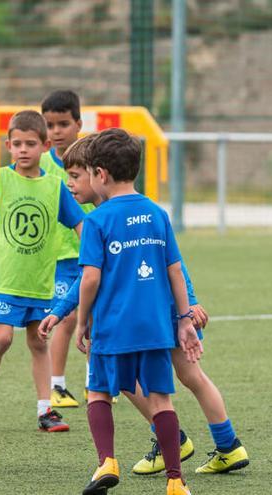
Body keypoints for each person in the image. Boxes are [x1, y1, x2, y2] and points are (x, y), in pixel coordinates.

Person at [41, 136, 250, 477]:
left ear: (99, 175)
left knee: (143, 377)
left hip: (154, 309)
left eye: (77, 177)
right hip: (161, 309)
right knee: (180, 377)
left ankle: (174, 439)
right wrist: (62, 309)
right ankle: (221, 444)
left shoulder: (103, 219)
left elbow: (172, 266)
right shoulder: (140, 212)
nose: (71, 186)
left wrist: (189, 306)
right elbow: (158, 264)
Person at [70, 128, 201, 495]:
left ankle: (107, 462)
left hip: (113, 325)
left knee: (98, 393)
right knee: (160, 399)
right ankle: (176, 481)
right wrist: (185, 319)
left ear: (101, 174)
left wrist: (82, 321)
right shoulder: (157, 213)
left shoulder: (97, 221)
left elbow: (91, 278)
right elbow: (175, 270)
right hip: (156, 326)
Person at [0, 110, 84, 434]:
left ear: (45, 146)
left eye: (30, 143)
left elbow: (79, 222)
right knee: (2, 339)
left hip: (38, 279)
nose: (23, 150)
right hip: (4, 277)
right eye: (17, 144)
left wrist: (91, 255)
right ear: (8, 145)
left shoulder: (55, 187)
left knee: (38, 341)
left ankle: (46, 410)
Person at [39, 90, 94, 408]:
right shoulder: (41, 163)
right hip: (57, 254)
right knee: (66, 317)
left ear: (78, 123)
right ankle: (57, 385)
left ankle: (94, 382)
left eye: (63, 124)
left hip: (90, 251)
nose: (56, 131)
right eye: (50, 125)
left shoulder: (91, 157)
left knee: (97, 317)